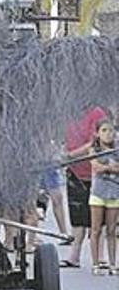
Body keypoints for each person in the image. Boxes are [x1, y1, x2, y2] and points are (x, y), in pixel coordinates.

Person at [62, 107, 104, 268]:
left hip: (96, 173)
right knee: (77, 216)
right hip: (75, 172)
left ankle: (100, 258)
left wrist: (71, 155)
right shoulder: (70, 112)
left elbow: (96, 142)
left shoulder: (97, 114)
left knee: (98, 218)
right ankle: (74, 256)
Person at [88, 118, 119, 275]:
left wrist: (110, 169)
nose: (108, 134)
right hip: (98, 194)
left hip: (114, 193)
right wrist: (110, 168)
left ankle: (113, 264)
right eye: (104, 130)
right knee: (96, 230)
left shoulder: (117, 149)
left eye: (111, 130)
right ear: (98, 133)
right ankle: (95, 264)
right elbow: (96, 168)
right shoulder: (94, 150)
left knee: (112, 230)